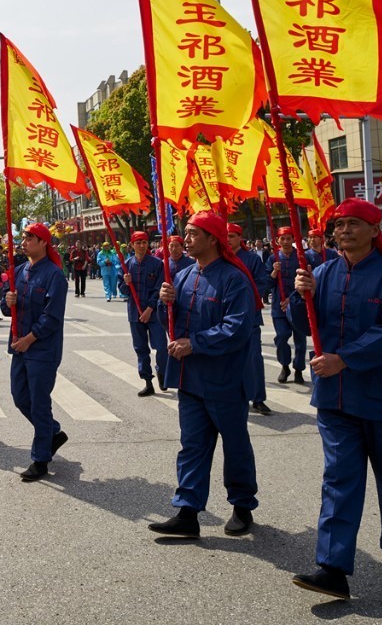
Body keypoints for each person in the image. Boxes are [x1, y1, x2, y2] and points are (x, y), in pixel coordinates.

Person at [287, 199, 382, 599]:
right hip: (336, 400)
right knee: (339, 480)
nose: (343, 230)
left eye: (353, 224)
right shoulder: (322, 273)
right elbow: (302, 325)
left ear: (375, 230)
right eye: (339, 224)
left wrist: (345, 359)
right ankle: (333, 568)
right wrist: (299, 297)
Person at [149, 211, 260, 539]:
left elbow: (237, 328)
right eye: (186, 232)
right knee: (192, 445)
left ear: (214, 239)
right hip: (190, 379)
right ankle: (187, 511)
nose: (187, 239)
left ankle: (242, 505)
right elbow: (169, 324)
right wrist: (163, 303)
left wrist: (194, 343)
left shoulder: (233, 278)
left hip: (225, 379)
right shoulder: (182, 277)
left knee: (235, 444)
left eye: (194, 233)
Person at [0, 223, 70, 481]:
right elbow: (6, 308)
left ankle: (40, 459)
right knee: (20, 397)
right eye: (25, 237)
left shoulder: (54, 275)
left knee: (39, 403)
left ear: (44, 243)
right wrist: (7, 303)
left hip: (41, 348)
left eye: (31, 238)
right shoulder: (18, 271)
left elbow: (52, 317)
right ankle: (52, 432)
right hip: (19, 346)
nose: (25, 241)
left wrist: (30, 339)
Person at [228, 224, 273, 416]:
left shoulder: (252, 259)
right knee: (229, 360)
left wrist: (245, 301)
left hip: (249, 316)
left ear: (240, 237)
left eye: (232, 236)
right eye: (225, 236)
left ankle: (258, 398)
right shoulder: (220, 258)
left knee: (253, 358)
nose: (228, 239)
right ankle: (234, 397)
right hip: (226, 318)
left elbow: (261, 283)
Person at [118, 231, 164, 396]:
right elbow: (123, 291)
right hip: (134, 313)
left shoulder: (157, 264)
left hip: (153, 313)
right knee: (141, 349)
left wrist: (149, 309)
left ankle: (161, 371)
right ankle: (147, 381)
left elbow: (159, 289)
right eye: (138, 242)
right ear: (132, 245)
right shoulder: (126, 265)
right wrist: (126, 282)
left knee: (162, 347)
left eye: (144, 242)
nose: (142, 245)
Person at [267, 227, 308, 385]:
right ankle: (285, 366)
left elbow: (305, 281)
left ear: (293, 239)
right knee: (282, 336)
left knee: (300, 339)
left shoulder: (301, 257)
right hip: (279, 306)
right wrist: (273, 273)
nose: (285, 242)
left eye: (288, 238)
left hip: (298, 304)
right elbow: (267, 283)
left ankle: (298, 369)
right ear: (277, 241)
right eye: (282, 239)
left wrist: (292, 300)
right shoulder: (273, 258)